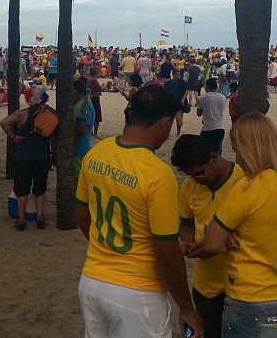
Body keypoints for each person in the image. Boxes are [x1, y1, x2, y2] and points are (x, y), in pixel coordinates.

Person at [74, 85, 204, 338]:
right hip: (137, 292)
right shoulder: (157, 174)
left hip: (92, 281)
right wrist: (187, 308)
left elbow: (81, 211)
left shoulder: (97, 152)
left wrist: (104, 244)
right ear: (165, 123)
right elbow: (167, 254)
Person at [204, 113, 277, 338]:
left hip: (252, 303)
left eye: (237, 149)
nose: (237, 157)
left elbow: (211, 243)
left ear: (247, 149)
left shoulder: (248, 187)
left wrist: (228, 239)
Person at [172, 134, 245, 338]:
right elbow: (186, 224)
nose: (198, 180)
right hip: (206, 286)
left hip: (240, 285)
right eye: (191, 176)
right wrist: (187, 241)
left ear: (214, 157)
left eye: (200, 174)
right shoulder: (190, 186)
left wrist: (217, 245)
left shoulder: (243, 182)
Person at [0, 85, 57, 231]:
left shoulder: (22, 113)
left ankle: (21, 220)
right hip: (41, 155)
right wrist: (53, 154)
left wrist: (13, 136)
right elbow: (53, 138)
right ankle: (40, 218)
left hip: (23, 155)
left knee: (22, 189)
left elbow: (4, 123)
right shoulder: (51, 114)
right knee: (40, 188)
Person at [197, 78, 227, 154]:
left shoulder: (202, 98)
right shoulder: (223, 98)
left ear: (207, 87)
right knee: (217, 152)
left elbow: (199, 114)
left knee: (204, 152)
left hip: (207, 128)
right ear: (216, 87)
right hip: (219, 128)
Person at [73, 80, 96, 175]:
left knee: (77, 177)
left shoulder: (84, 107)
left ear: (81, 93)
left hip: (80, 149)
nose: (72, 96)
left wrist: (65, 126)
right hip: (79, 147)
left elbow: (82, 129)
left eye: (74, 94)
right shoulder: (81, 104)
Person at [165, 68, 190, 136]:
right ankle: (168, 133)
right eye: (177, 74)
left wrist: (183, 99)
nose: (178, 76)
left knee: (179, 119)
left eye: (179, 74)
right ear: (173, 75)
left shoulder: (182, 82)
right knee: (169, 119)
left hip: (179, 103)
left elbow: (186, 90)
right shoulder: (168, 82)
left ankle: (178, 132)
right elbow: (165, 91)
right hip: (170, 103)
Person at [87, 67, 103, 139]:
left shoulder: (88, 78)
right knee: (97, 116)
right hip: (95, 98)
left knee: (90, 115)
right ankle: (95, 134)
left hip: (89, 98)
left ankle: (91, 132)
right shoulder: (94, 80)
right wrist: (103, 87)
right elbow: (100, 88)